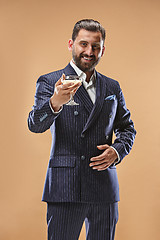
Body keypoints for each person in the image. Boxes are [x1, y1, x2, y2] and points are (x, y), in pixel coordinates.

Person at [28, 19, 136, 240]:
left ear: (102, 49)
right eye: (83, 44)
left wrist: (117, 151)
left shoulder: (112, 86)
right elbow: (35, 124)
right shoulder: (50, 82)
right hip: (66, 186)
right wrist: (54, 102)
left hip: (103, 184)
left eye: (95, 46)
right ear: (71, 44)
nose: (89, 51)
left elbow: (127, 128)